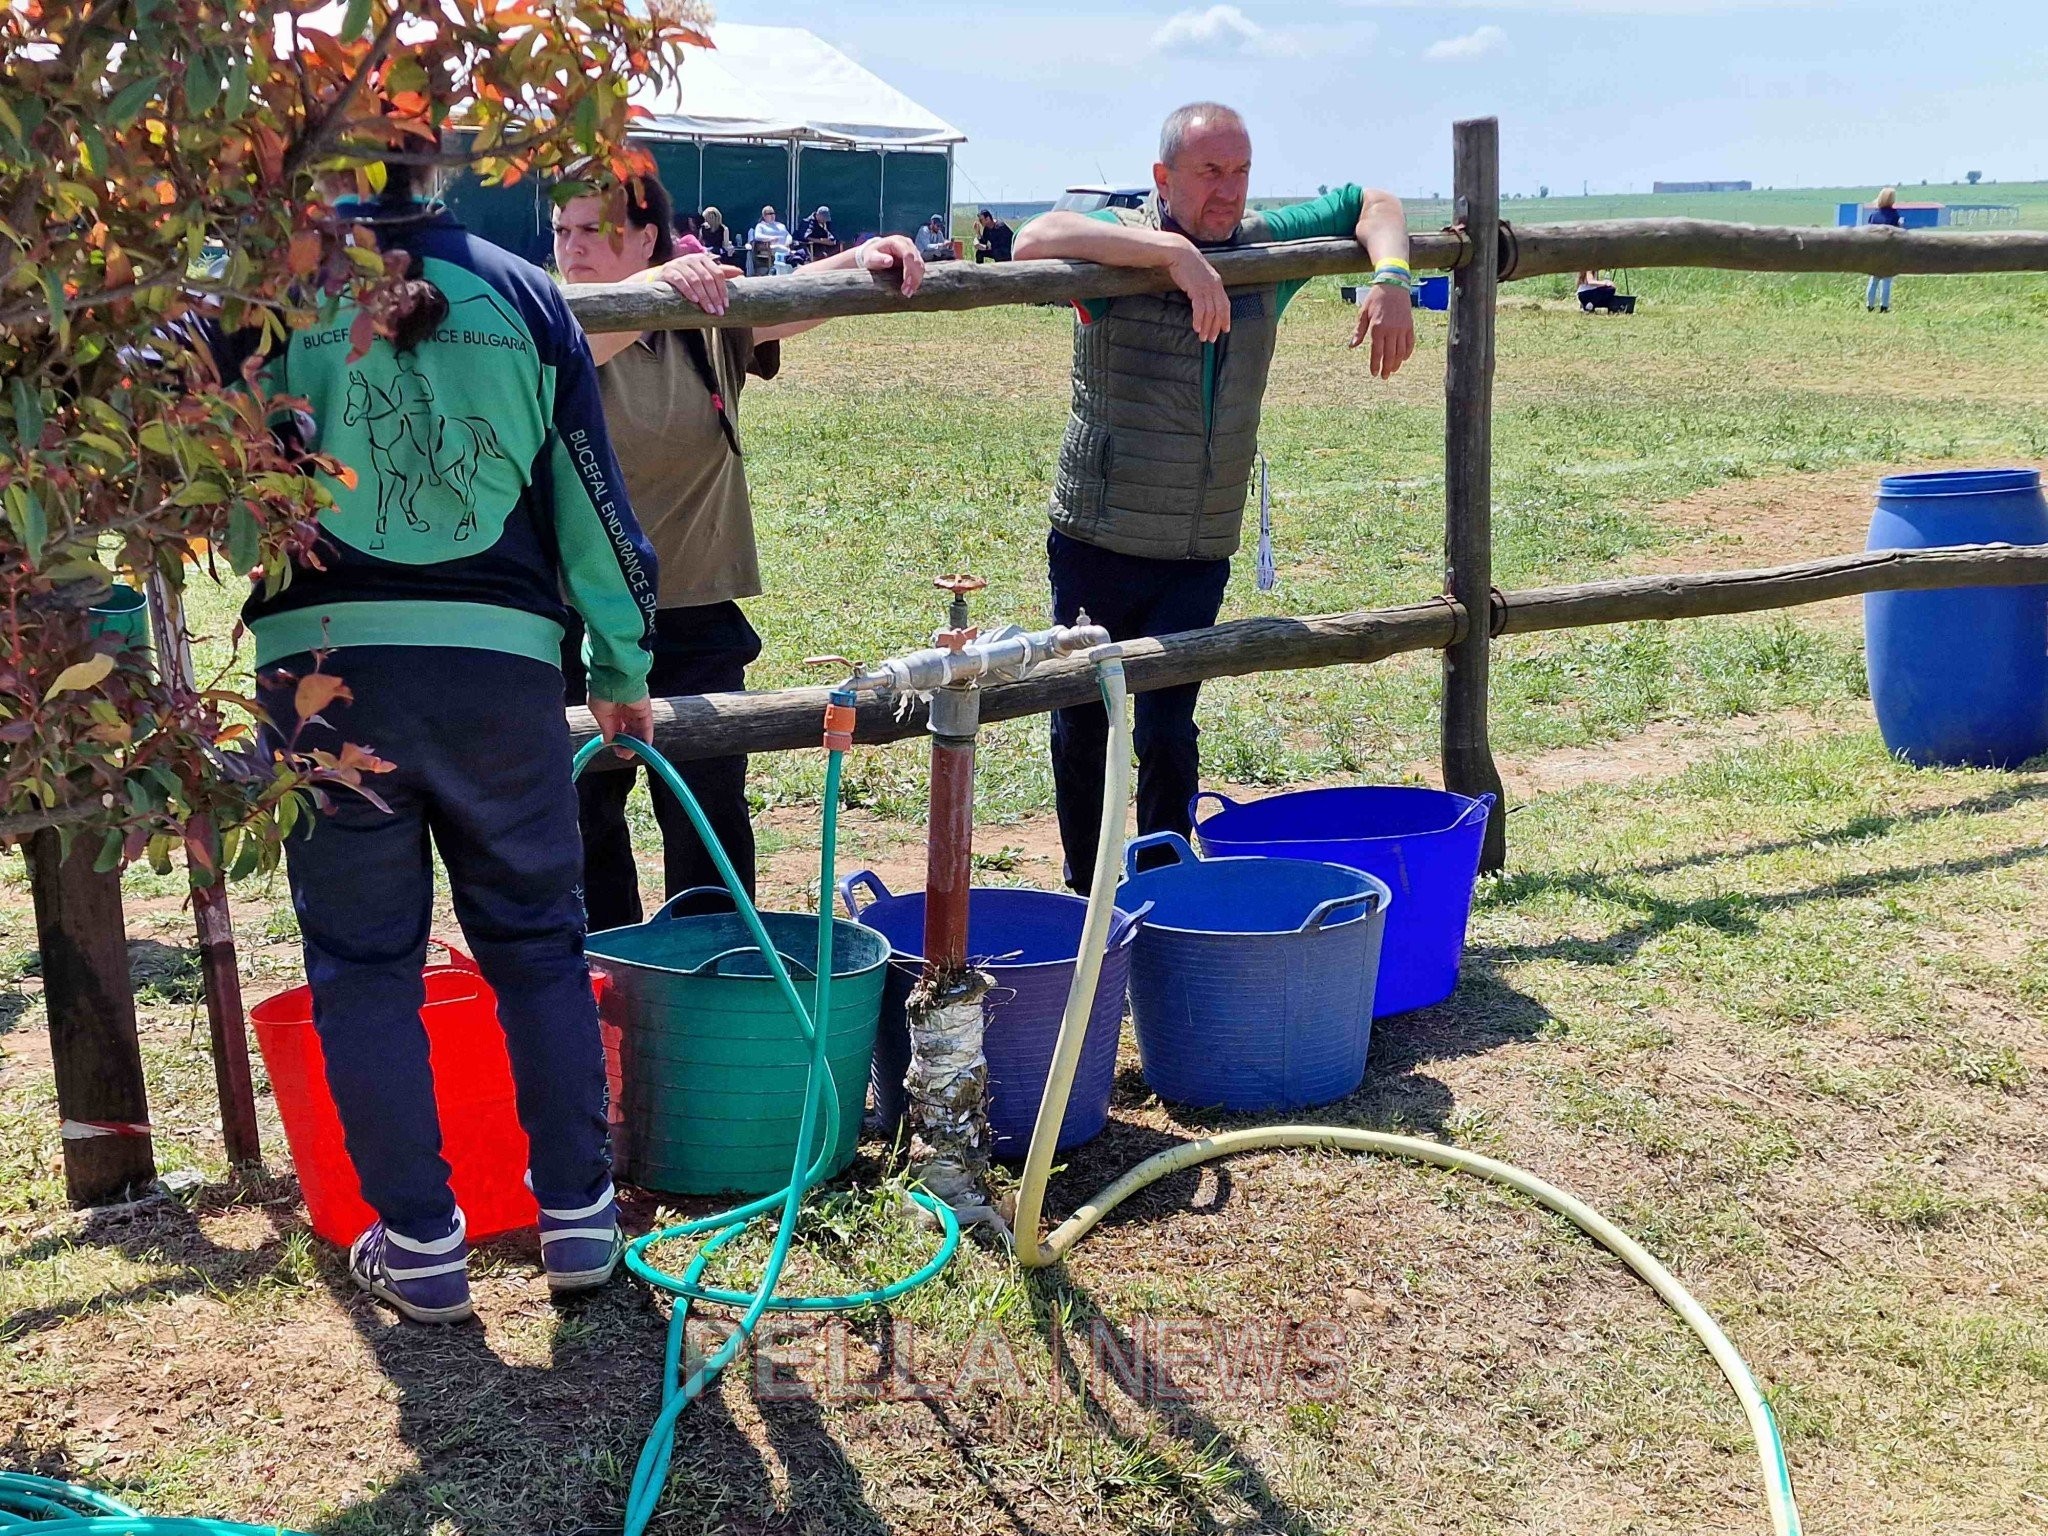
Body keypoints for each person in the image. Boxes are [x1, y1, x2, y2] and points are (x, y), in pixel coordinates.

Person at [232, 161, 658, 1324]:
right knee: (534, 942)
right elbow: (594, 502)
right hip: (500, 674)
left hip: (325, 676)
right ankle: (577, 1217)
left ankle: (418, 1242)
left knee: (364, 964)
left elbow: (217, 504)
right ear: (445, 166)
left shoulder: (267, 300)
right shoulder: (526, 295)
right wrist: (620, 664)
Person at [1012, 102, 1414, 891]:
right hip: (1100, 534)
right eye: (1208, 173)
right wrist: (1172, 255)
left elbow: (1376, 202)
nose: (1228, 192)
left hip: (1199, 544)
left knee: (1168, 727)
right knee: (1085, 717)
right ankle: (1087, 895)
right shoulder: (1115, 249)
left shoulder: (1265, 251)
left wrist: (1393, 277)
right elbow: (1034, 239)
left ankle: (1164, 885)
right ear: (1163, 178)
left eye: (1240, 171)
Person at [552, 173, 924, 926]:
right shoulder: (551, 319)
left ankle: (712, 982)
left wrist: (869, 254)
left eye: (592, 230)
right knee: (583, 815)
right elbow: (577, 342)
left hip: (696, 609)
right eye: (562, 230)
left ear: (647, 234)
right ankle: (607, 985)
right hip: (574, 617)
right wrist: (660, 283)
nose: (571, 248)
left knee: (708, 814)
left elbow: (791, 294)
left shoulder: (702, 320)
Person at [1865, 187, 1903, 312]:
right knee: (1886, 280)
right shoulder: (1894, 215)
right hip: (1889, 251)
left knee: (1874, 279)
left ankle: (1870, 305)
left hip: (1874, 250)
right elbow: (1899, 233)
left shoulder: (1873, 215)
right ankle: (1884, 306)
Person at [748, 204, 791, 274]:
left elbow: (788, 235)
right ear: (764, 216)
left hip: (785, 246)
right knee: (781, 249)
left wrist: (788, 242)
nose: (772, 215)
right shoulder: (761, 226)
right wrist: (770, 238)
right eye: (769, 214)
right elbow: (757, 236)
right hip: (770, 247)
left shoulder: (781, 225)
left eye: (773, 213)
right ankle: (781, 271)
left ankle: (788, 269)